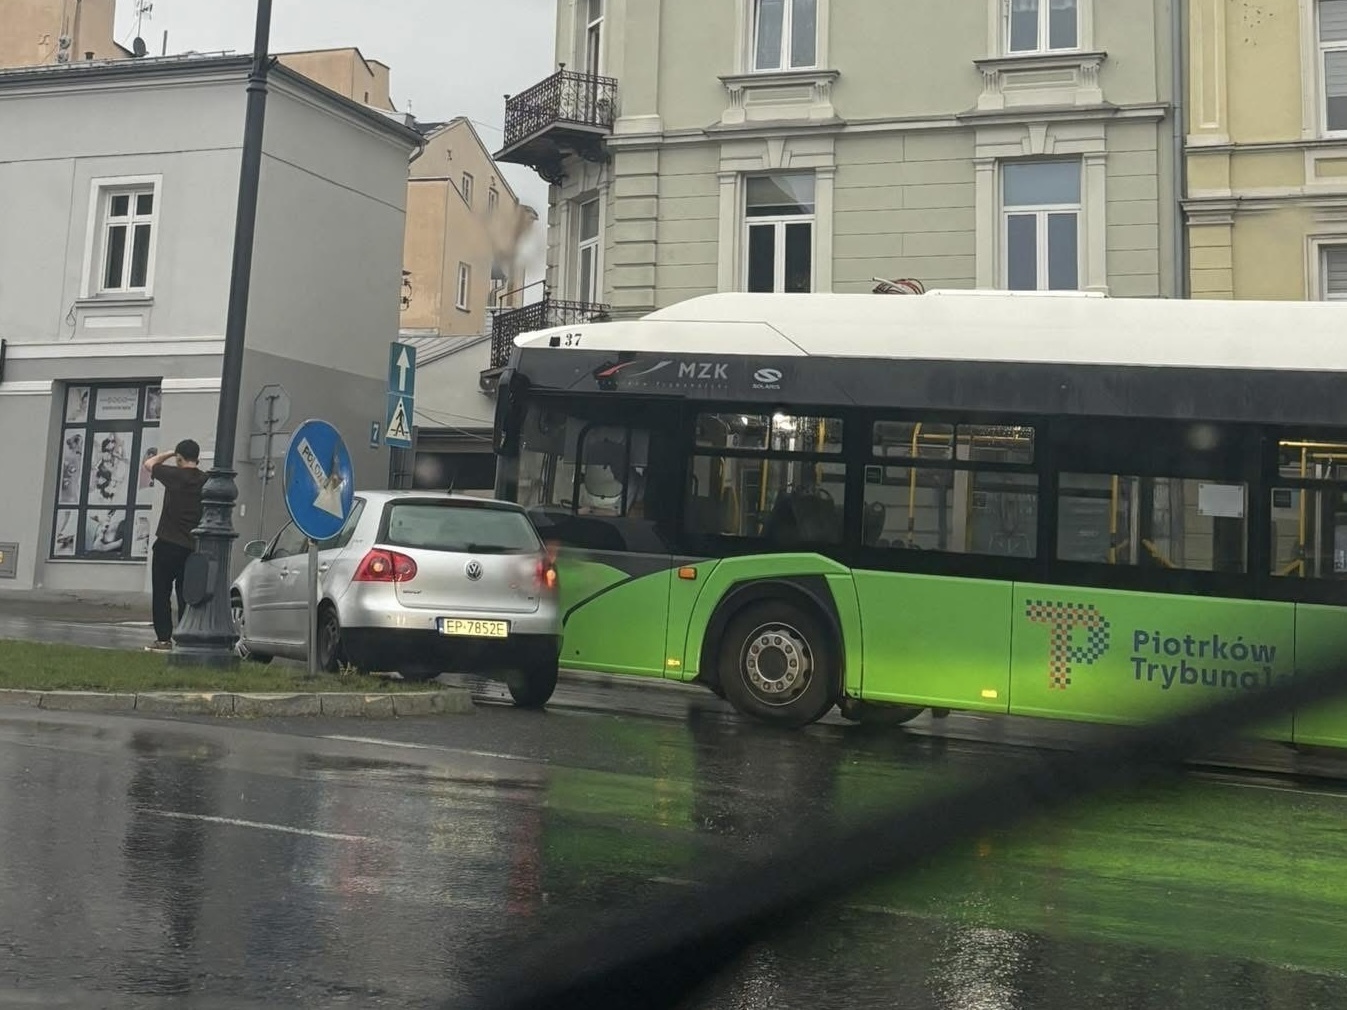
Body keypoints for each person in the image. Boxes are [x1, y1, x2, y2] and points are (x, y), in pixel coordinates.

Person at [142, 439, 207, 652]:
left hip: (167, 544)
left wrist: (169, 453)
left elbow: (149, 463)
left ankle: (163, 639)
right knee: (185, 594)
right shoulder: (205, 481)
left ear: (180, 458)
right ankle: (184, 636)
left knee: (161, 593)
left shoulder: (174, 475)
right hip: (191, 546)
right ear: (196, 458)